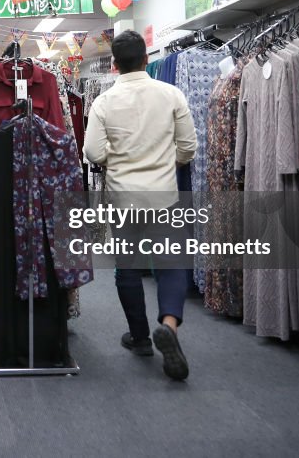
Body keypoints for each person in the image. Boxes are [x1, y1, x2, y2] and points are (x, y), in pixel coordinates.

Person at [84, 30, 197, 381]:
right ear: (147, 59)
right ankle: (169, 326)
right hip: (163, 194)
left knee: (128, 269)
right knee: (171, 265)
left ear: (114, 65)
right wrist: (166, 162)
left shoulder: (103, 102)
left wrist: (117, 160)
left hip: (124, 197)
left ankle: (140, 337)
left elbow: (93, 152)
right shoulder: (171, 94)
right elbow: (188, 147)